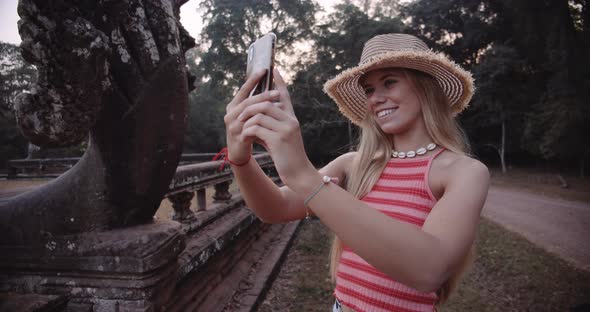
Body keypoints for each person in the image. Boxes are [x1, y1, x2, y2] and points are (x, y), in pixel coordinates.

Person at [223, 33, 489, 312]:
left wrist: (305, 176)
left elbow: (429, 270)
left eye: (389, 82)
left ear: (425, 88)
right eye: (369, 90)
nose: (376, 98)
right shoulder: (354, 164)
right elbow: (275, 208)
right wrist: (240, 160)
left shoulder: (465, 172)